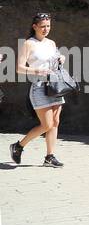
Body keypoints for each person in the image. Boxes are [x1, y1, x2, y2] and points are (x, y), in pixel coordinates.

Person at [9, 12, 67, 168]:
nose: (46, 29)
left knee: (55, 122)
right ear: (34, 26)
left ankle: (49, 157)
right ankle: (19, 146)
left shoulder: (51, 43)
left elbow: (54, 63)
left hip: (55, 85)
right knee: (47, 124)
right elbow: (19, 68)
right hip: (39, 87)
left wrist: (61, 59)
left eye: (48, 26)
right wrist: (36, 71)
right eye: (42, 26)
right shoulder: (29, 43)